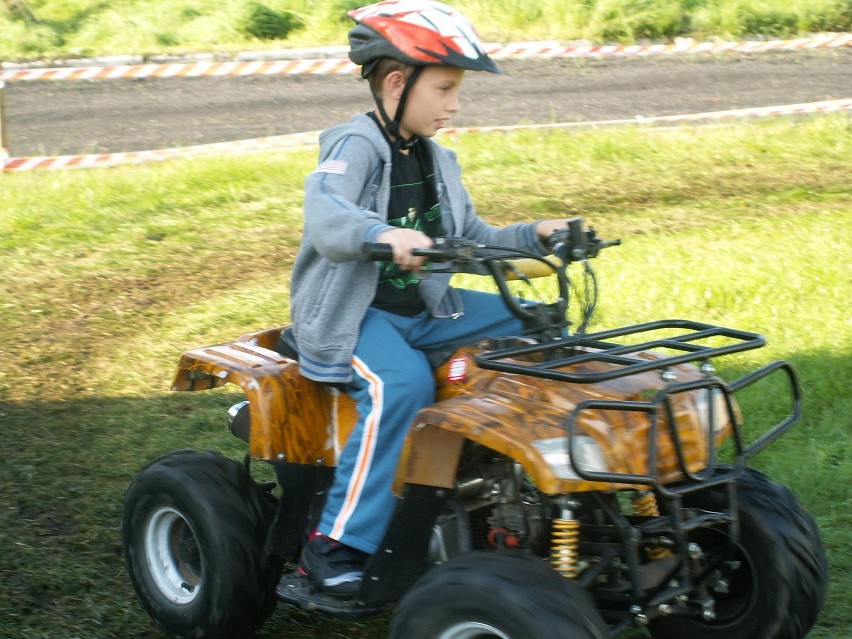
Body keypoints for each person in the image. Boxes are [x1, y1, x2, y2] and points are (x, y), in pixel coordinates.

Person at [288, 0, 570, 597]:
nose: (454, 104)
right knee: (401, 385)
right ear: (397, 82)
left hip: (428, 309)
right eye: (444, 87)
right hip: (354, 317)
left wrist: (538, 236)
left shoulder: (438, 160)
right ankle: (335, 542)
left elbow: (477, 239)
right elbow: (326, 214)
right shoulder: (354, 145)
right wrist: (382, 235)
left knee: (543, 327)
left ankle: (530, 491)